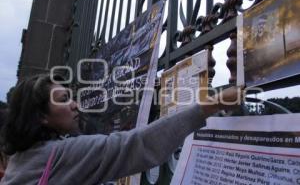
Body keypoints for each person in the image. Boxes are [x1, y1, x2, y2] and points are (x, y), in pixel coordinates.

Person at [0, 74, 240, 185]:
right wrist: (213, 103)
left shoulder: (21, 159)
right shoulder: (60, 155)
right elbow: (137, 144)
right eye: (63, 99)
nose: (74, 104)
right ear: (41, 116)